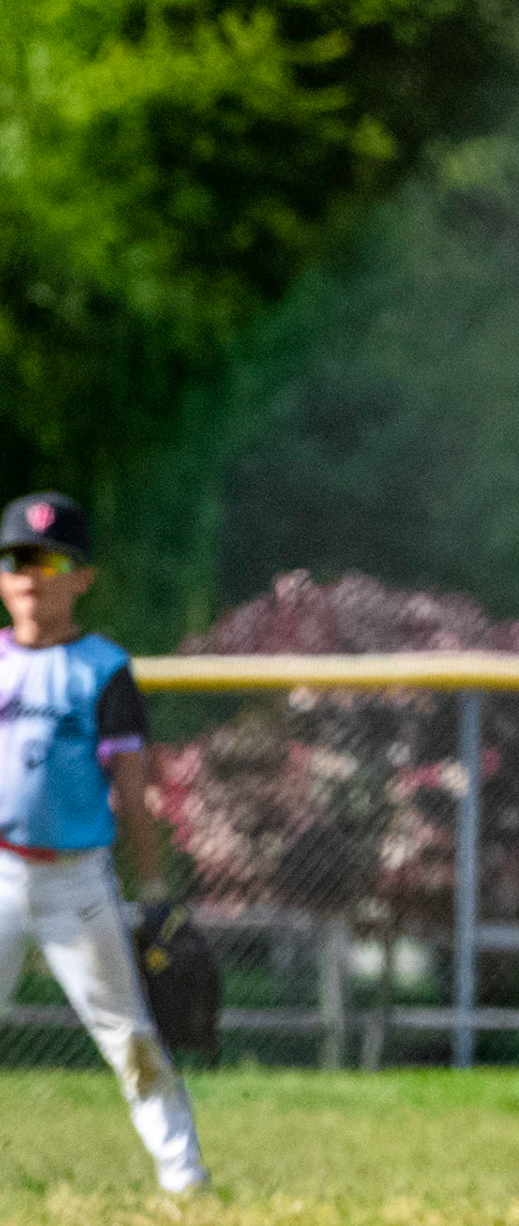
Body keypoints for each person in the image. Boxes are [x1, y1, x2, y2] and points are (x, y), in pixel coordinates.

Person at [0, 492, 210, 1194]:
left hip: (76, 884)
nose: (34, 577)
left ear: (82, 577)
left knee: (130, 1038)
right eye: (19, 560)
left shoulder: (103, 669)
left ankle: (186, 1180)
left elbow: (132, 788)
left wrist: (152, 893)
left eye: (53, 561)